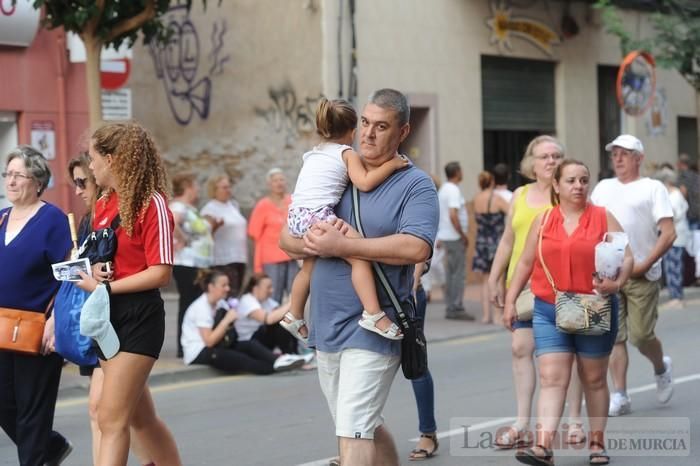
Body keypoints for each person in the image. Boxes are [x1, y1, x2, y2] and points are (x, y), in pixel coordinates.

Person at [280, 88, 439, 466]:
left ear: (402, 132)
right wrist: (313, 243)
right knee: (359, 423)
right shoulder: (339, 169)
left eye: (381, 127)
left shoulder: (414, 184)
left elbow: (417, 248)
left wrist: (344, 246)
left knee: (352, 431)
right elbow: (286, 238)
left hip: (374, 326)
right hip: (325, 324)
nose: (367, 134)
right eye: (364, 123)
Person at [505, 159, 633, 466]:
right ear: (557, 186)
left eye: (583, 180)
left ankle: (597, 443)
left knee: (594, 379)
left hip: (595, 307)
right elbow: (524, 262)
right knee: (551, 377)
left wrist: (617, 283)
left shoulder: (603, 217)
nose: (578, 186)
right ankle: (543, 447)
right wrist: (510, 300)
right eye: (571, 180)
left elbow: (627, 256)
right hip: (549, 309)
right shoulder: (544, 220)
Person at [76, 122, 182, 466]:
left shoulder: (152, 205)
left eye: (93, 159)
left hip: (138, 317)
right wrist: (96, 271)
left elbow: (161, 272)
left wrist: (106, 286)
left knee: (110, 418)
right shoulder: (105, 204)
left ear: (112, 159)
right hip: (108, 316)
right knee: (140, 419)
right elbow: (109, 256)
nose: (90, 167)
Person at [282, 97, 408, 343]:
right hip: (317, 215)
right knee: (359, 254)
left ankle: (293, 314)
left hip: (296, 216)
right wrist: (392, 164)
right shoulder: (346, 153)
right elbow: (364, 182)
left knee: (309, 266)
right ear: (352, 132)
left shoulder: (313, 154)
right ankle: (373, 313)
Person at [488, 136, 585, 448]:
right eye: (544, 156)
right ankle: (521, 422)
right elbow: (507, 240)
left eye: (557, 156)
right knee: (520, 348)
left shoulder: (567, 195)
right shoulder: (520, 194)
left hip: (560, 288)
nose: (551, 161)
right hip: (522, 286)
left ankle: (573, 422)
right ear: (531, 162)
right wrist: (494, 278)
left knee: (563, 356)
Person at [67, 154, 153, 466]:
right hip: (101, 319)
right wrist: (85, 268)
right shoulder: (92, 216)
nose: (78, 188)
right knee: (141, 419)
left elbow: (156, 270)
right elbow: (93, 260)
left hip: (129, 317)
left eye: (82, 181)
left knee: (106, 413)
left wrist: (102, 279)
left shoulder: (140, 204)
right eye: (75, 181)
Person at [591, 134, 676, 417]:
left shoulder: (652, 188)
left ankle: (660, 367)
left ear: (638, 158)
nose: (617, 158)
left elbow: (668, 233)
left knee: (640, 336)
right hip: (610, 273)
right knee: (615, 337)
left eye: (624, 154)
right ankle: (621, 394)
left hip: (641, 274)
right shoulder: (602, 187)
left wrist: (643, 263)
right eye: (614, 153)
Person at [0, 145, 73, 465]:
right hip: (1, 328)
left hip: (37, 329)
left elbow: (70, 276)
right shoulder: (1, 218)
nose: (11, 181)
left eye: (19, 175)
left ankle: (39, 455)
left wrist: (56, 322)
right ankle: (52, 445)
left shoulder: (53, 220)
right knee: (4, 403)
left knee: (33, 410)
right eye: (8, 174)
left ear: (39, 181)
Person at [181, 270, 305, 374]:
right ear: (211, 287)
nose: (227, 289)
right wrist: (227, 320)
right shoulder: (201, 307)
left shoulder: (221, 303)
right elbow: (209, 342)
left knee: (249, 345)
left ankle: (281, 360)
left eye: (228, 285)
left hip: (219, 344)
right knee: (243, 360)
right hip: (200, 352)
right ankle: (276, 367)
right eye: (223, 285)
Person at [170, 172, 213, 358]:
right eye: (195, 185)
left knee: (194, 302)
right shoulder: (179, 205)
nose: (198, 189)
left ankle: (192, 340)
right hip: (187, 263)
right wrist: (182, 238)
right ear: (187, 187)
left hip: (197, 263)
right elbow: (172, 222)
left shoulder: (189, 207)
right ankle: (183, 345)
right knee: (188, 302)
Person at [248, 168, 299, 304]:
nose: (279, 183)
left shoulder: (293, 201)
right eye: (275, 180)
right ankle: (272, 323)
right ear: (269, 184)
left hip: (292, 254)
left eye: (281, 179)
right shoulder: (262, 205)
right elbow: (254, 235)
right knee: (272, 295)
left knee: (295, 294)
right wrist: (257, 266)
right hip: (271, 258)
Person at [236, 273, 309, 359]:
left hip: (261, 339)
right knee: (279, 324)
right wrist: (291, 302)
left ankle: (295, 353)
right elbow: (268, 319)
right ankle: (290, 355)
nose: (272, 290)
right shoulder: (247, 300)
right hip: (248, 341)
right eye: (268, 287)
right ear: (255, 289)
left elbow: (283, 314)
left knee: (287, 322)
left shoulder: (266, 301)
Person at [407, 261, 439, 461]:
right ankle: (355, 438)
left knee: (415, 363)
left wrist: (412, 285)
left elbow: (420, 247)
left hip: (406, 293)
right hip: (366, 297)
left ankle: (428, 433)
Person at [200, 174, 248, 297]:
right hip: (223, 259)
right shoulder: (209, 209)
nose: (228, 190)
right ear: (214, 190)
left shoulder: (233, 205)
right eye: (224, 187)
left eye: (229, 187)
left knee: (236, 294)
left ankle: (232, 316)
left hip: (239, 256)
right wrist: (215, 226)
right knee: (226, 295)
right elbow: (204, 235)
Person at [472, 170, 508, 324]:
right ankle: (497, 315)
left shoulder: (476, 199)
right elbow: (512, 212)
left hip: (481, 242)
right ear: (492, 182)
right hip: (496, 242)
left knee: (485, 280)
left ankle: (486, 316)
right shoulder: (497, 198)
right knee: (498, 279)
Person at [437, 161, 471, 320]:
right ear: (457, 172)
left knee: (451, 273)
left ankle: (451, 306)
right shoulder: (453, 190)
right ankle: (456, 307)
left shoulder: (444, 189)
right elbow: (452, 214)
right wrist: (462, 235)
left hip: (446, 236)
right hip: (454, 237)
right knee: (457, 273)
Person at [656, 168, 690, 309]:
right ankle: (676, 295)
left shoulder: (674, 196)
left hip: (674, 236)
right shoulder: (675, 195)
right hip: (675, 235)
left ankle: (676, 297)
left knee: (673, 266)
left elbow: (672, 214)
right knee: (672, 265)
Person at [677, 153, 700, 284]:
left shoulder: (683, 177)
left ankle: (689, 277)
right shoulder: (697, 177)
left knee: (689, 248)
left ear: (680, 164)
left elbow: (683, 194)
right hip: (698, 215)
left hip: (689, 217)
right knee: (698, 248)